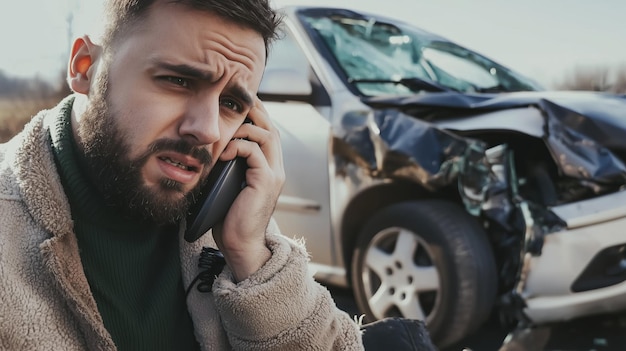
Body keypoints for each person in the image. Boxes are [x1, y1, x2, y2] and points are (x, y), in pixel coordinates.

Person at [0, 0, 365, 349]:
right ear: (85, 67)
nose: (207, 131)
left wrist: (252, 259)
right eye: (178, 81)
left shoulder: (224, 219)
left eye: (231, 104)